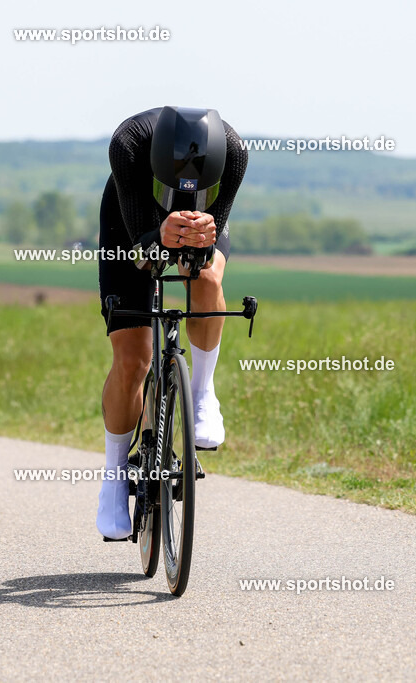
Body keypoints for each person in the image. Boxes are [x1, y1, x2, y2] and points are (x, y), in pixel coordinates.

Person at [96, 106, 248, 539]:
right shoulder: (128, 145)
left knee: (206, 273)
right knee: (134, 358)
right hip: (133, 220)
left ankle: (202, 393)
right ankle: (113, 476)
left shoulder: (234, 152)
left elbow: (219, 226)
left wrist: (199, 236)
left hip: (201, 222)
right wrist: (157, 237)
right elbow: (143, 255)